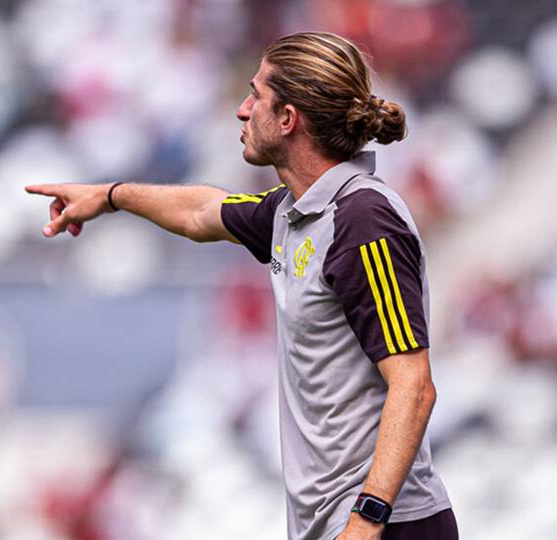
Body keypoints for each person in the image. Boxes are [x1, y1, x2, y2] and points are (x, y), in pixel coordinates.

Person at [25, 31, 457, 540]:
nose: (242, 110)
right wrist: (110, 196)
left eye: (256, 96)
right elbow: (201, 212)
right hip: (337, 523)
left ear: (288, 119)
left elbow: (413, 385)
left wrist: (367, 517)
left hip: (389, 525)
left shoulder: (363, 220)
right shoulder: (293, 214)